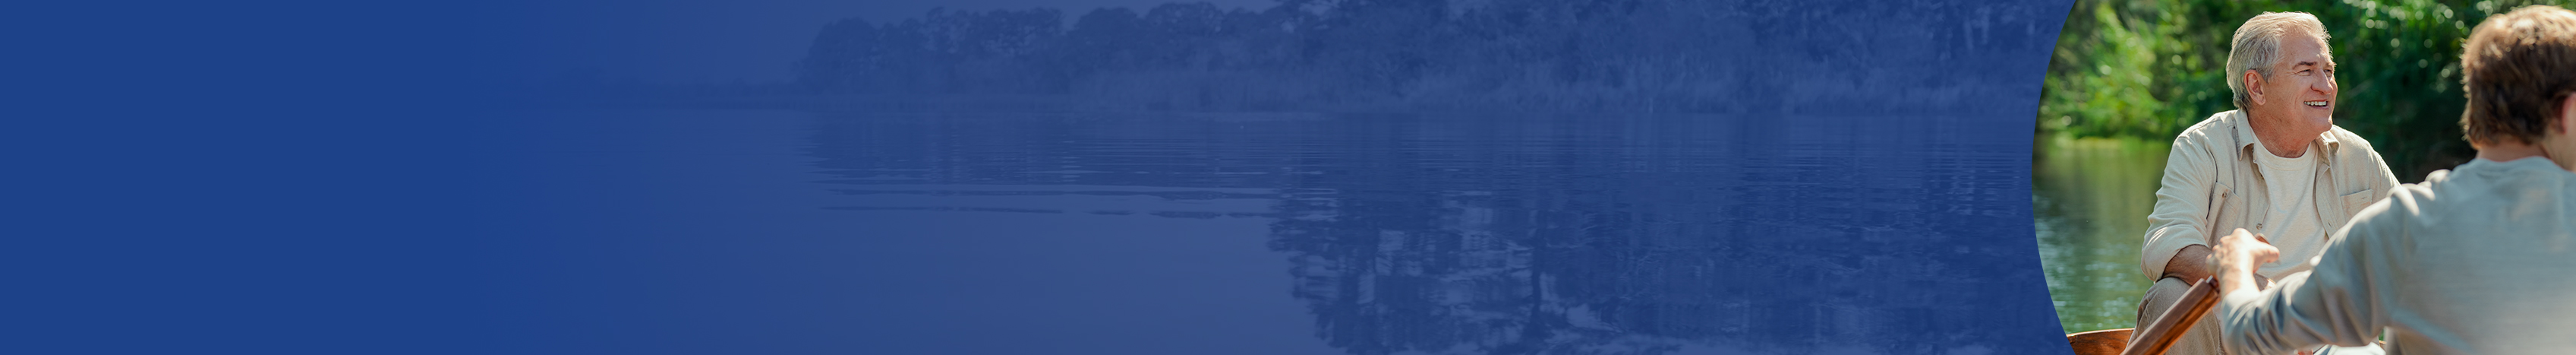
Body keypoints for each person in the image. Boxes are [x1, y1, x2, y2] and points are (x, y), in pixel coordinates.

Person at [2210, 5, 2576, 354]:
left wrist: (2236, 266)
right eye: (2307, 70)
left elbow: (2250, 335)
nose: (2325, 84)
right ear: (2568, 113)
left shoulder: (2408, 223)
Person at [2139, 11, 2400, 355]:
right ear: (2256, 87)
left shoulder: (2357, 156)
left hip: (2324, 341)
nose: (2325, 85)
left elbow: (2417, 241)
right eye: (2306, 70)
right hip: (2230, 337)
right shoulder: (2203, 146)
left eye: (2329, 71)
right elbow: (2166, 243)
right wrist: (2254, 286)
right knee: (2170, 295)